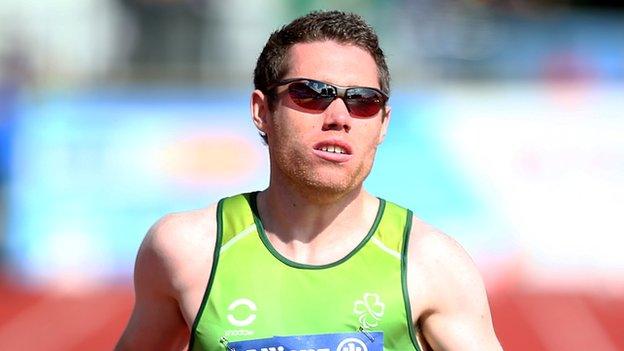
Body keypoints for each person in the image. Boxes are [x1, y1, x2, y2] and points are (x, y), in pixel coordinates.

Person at [116, 10, 503, 351]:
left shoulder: (431, 264)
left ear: (383, 123)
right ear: (261, 110)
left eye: (362, 100)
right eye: (311, 94)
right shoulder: (185, 249)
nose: (339, 116)